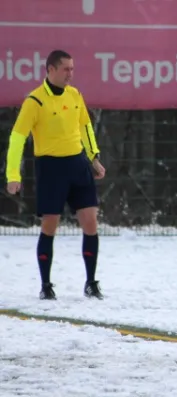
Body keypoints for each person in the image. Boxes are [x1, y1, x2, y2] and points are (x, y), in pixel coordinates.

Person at [5, 49, 106, 300]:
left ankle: (91, 282)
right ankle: (46, 285)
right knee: (50, 224)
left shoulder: (74, 95)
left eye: (72, 69)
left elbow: (84, 125)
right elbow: (17, 138)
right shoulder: (35, 101)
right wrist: (12, 175)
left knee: (90, 221)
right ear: (50, 70)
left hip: (77, 165)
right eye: (65, 69)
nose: (70, 74)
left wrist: (93, 157)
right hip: (51, 167)